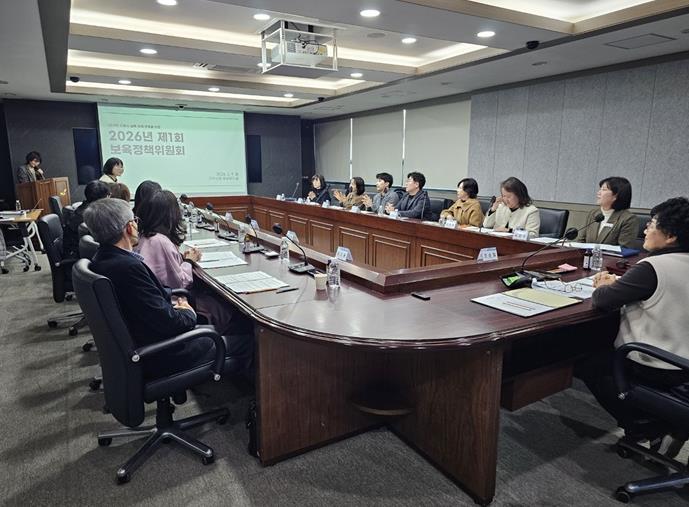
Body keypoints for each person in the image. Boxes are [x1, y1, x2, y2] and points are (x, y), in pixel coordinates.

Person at [84, 198, 252, 379]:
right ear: (129, 227)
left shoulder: (103, 258)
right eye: (135, 221)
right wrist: (188, 312)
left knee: (220, 321)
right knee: (249, 339)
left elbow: (150, 299)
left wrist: (173, 299)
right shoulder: (127, 268)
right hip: (165, 353)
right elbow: (171, 323)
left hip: (143, 340)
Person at [577, 197, 689, 440]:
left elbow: (603, 300)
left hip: (655, 365)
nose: (645, 229)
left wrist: (604, 285)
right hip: (684, 365)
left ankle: (642, 426)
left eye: (652, 224)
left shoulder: (653, 266)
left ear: (671, 236)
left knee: (585, 362)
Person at [135, 190, 250, 336]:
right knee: (232, 310)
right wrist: (189, 261)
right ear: (170, 216)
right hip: (177, 304)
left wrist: (181, 259)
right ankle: (231, 341)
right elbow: (181, 283)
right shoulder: (160, 242)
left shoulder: (144, 236)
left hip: (159, 307)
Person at [578, 177, 639, 248]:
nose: (598, 193)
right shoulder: (593, 213)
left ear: (616, 195)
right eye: (600, 189)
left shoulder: (628, 219)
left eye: (604, 189)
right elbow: (581, 241)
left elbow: (624, 249)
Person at [62, 180, 110, 258]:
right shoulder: (92, 216)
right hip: (79, 256)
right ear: (105, 197)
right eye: (109, 195)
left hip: (76, 252)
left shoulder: (82, 209)